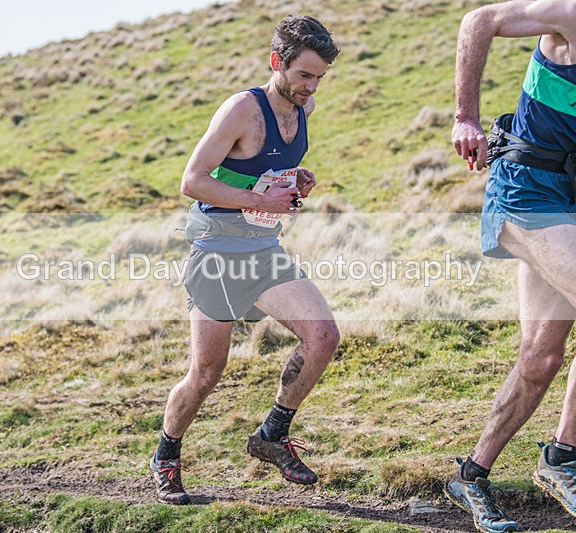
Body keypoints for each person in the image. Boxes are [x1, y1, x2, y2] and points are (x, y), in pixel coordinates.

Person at [446, 0, 576, 531]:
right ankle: (563, 459)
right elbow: (479, 21)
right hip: (526, 188)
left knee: (540, 357)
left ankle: (471, 474)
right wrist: (466, 116)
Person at [149, 15, 341, 505]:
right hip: (216, 252)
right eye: (303, 75)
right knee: (208, 373)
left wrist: (296, 180)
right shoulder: (241, 110)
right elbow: (192, 181)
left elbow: (265, 169)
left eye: (319, 76)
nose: (311, 86)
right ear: (277, 62)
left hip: (262, 251)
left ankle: (272, 435)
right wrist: (259, 202)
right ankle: (166, 456)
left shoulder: (304, 107)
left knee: (323, 336)